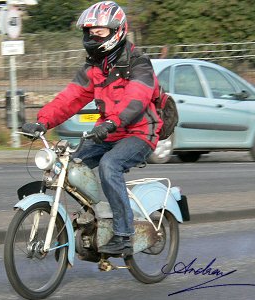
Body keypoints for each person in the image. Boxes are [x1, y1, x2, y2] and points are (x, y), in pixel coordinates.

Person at [22, 1, 162, 255]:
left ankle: (124, 233)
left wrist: (112, 122)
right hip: (108, 131)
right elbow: (70, 98)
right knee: (68, 168)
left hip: (139, 132)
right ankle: (94, 221)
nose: (93, 37)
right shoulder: (94, 68)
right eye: (90, 32)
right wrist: (42, 121)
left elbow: (136, 99)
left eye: (100, 32)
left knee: (110, 165)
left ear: (117, 31)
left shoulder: (139, 64)